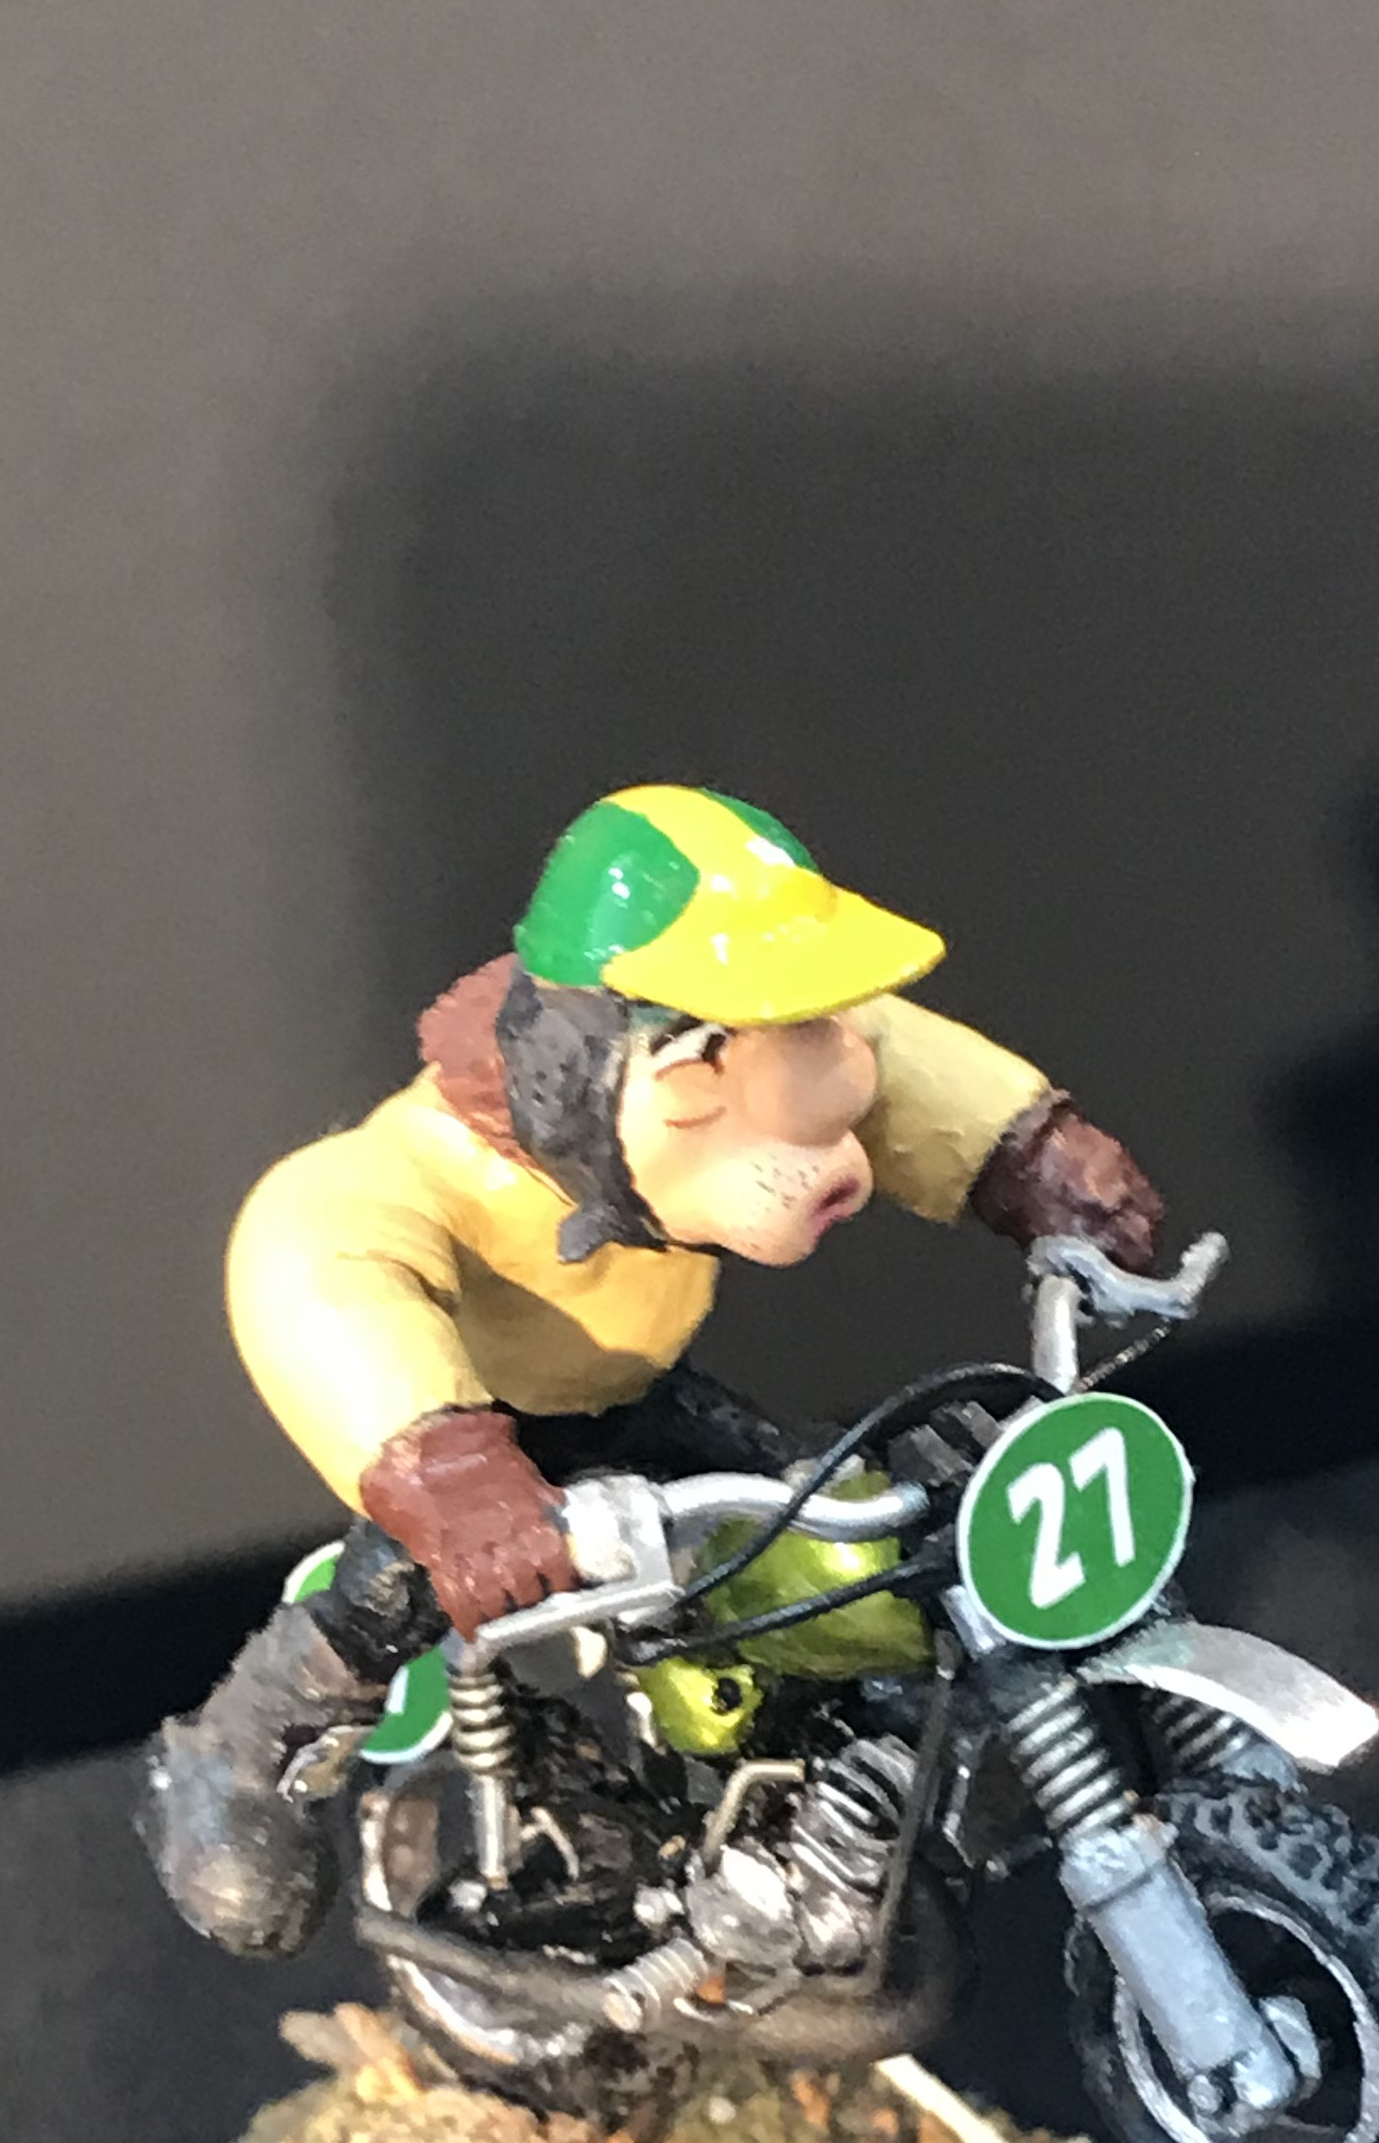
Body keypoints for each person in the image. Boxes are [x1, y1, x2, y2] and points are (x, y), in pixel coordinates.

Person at [142, 784, 1170, 1957]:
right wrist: (444, 1472)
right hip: (481, 1462)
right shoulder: (428, 1167)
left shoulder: (779, 1058)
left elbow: (887, 1054)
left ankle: (796, 1795)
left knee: (820, 1546)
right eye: (778, 1116)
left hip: (632, 1400)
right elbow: (315, 1257)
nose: (836, 1155)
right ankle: (237, 1760)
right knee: (384, 1601)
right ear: (667, 1071)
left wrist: (1028, 1156)